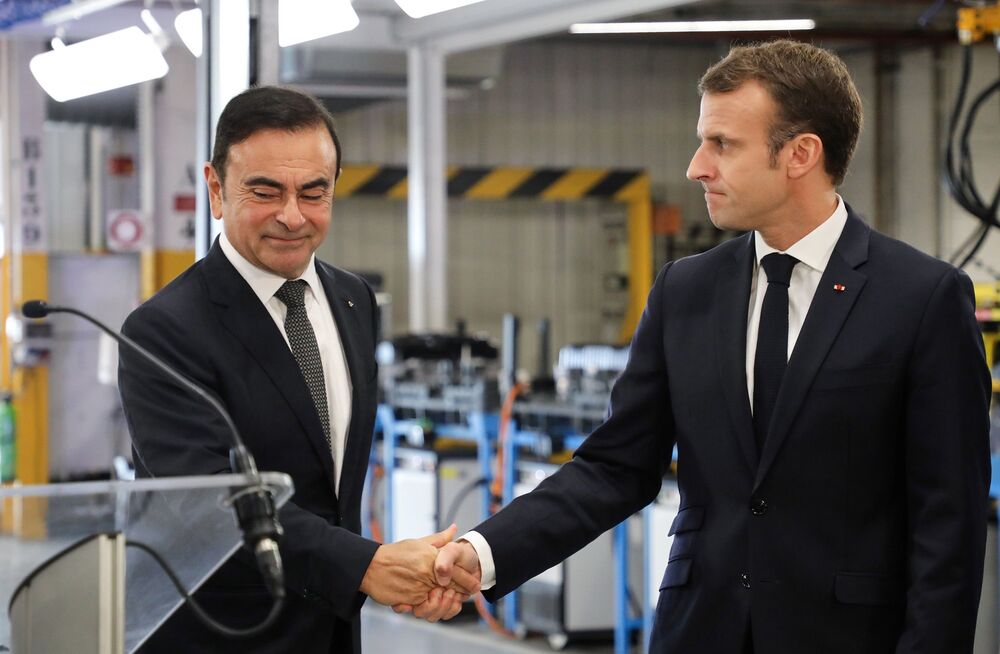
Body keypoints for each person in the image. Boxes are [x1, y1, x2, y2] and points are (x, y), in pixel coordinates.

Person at [432, 40, 991, 653]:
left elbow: (949, 522)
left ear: (801, 154)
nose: (697, 166)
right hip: (699, 632)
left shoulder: (921, 298)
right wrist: (482, 552)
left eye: (722, 144)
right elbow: (615, 467)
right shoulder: (685, 290)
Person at [118, 85, 474, 654]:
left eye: (314, 192)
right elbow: (209, 502)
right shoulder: (164, 330)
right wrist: (365, 566)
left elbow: (330, 486)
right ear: (216, 189)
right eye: (265, 192)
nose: (292, 216)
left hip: (331, 629)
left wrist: (390, 570)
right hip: (222, 636)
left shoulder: (354, 300)